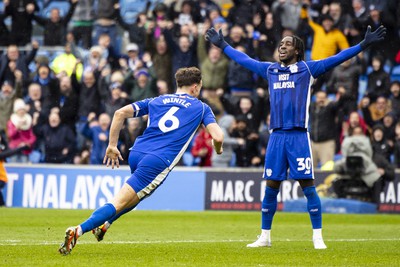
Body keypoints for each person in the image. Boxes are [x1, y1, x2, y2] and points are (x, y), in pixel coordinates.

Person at [206, 23, 386, 249]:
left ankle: (317, 236)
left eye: (287, 44)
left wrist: (362, 45)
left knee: (308, 186)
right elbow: (245, 60)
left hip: (299, 137)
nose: (282, 47)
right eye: (280, 44)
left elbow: (338, 58)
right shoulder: (270, 70)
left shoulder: (307, 70)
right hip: (276, 137)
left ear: (297, 51)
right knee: (271, 186)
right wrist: (223, 45)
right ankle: (265, 236)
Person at [58, 67, 224, 255]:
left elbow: (119, 113)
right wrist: (218, 150)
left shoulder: (157, 100)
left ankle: (105, 223)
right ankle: (78, 230)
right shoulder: (202, 107)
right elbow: (217, 137)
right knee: (119, 202)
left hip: (137, 153)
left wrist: (112, 145)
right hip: (158, 160)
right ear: (195, 87)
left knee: (137, 196)